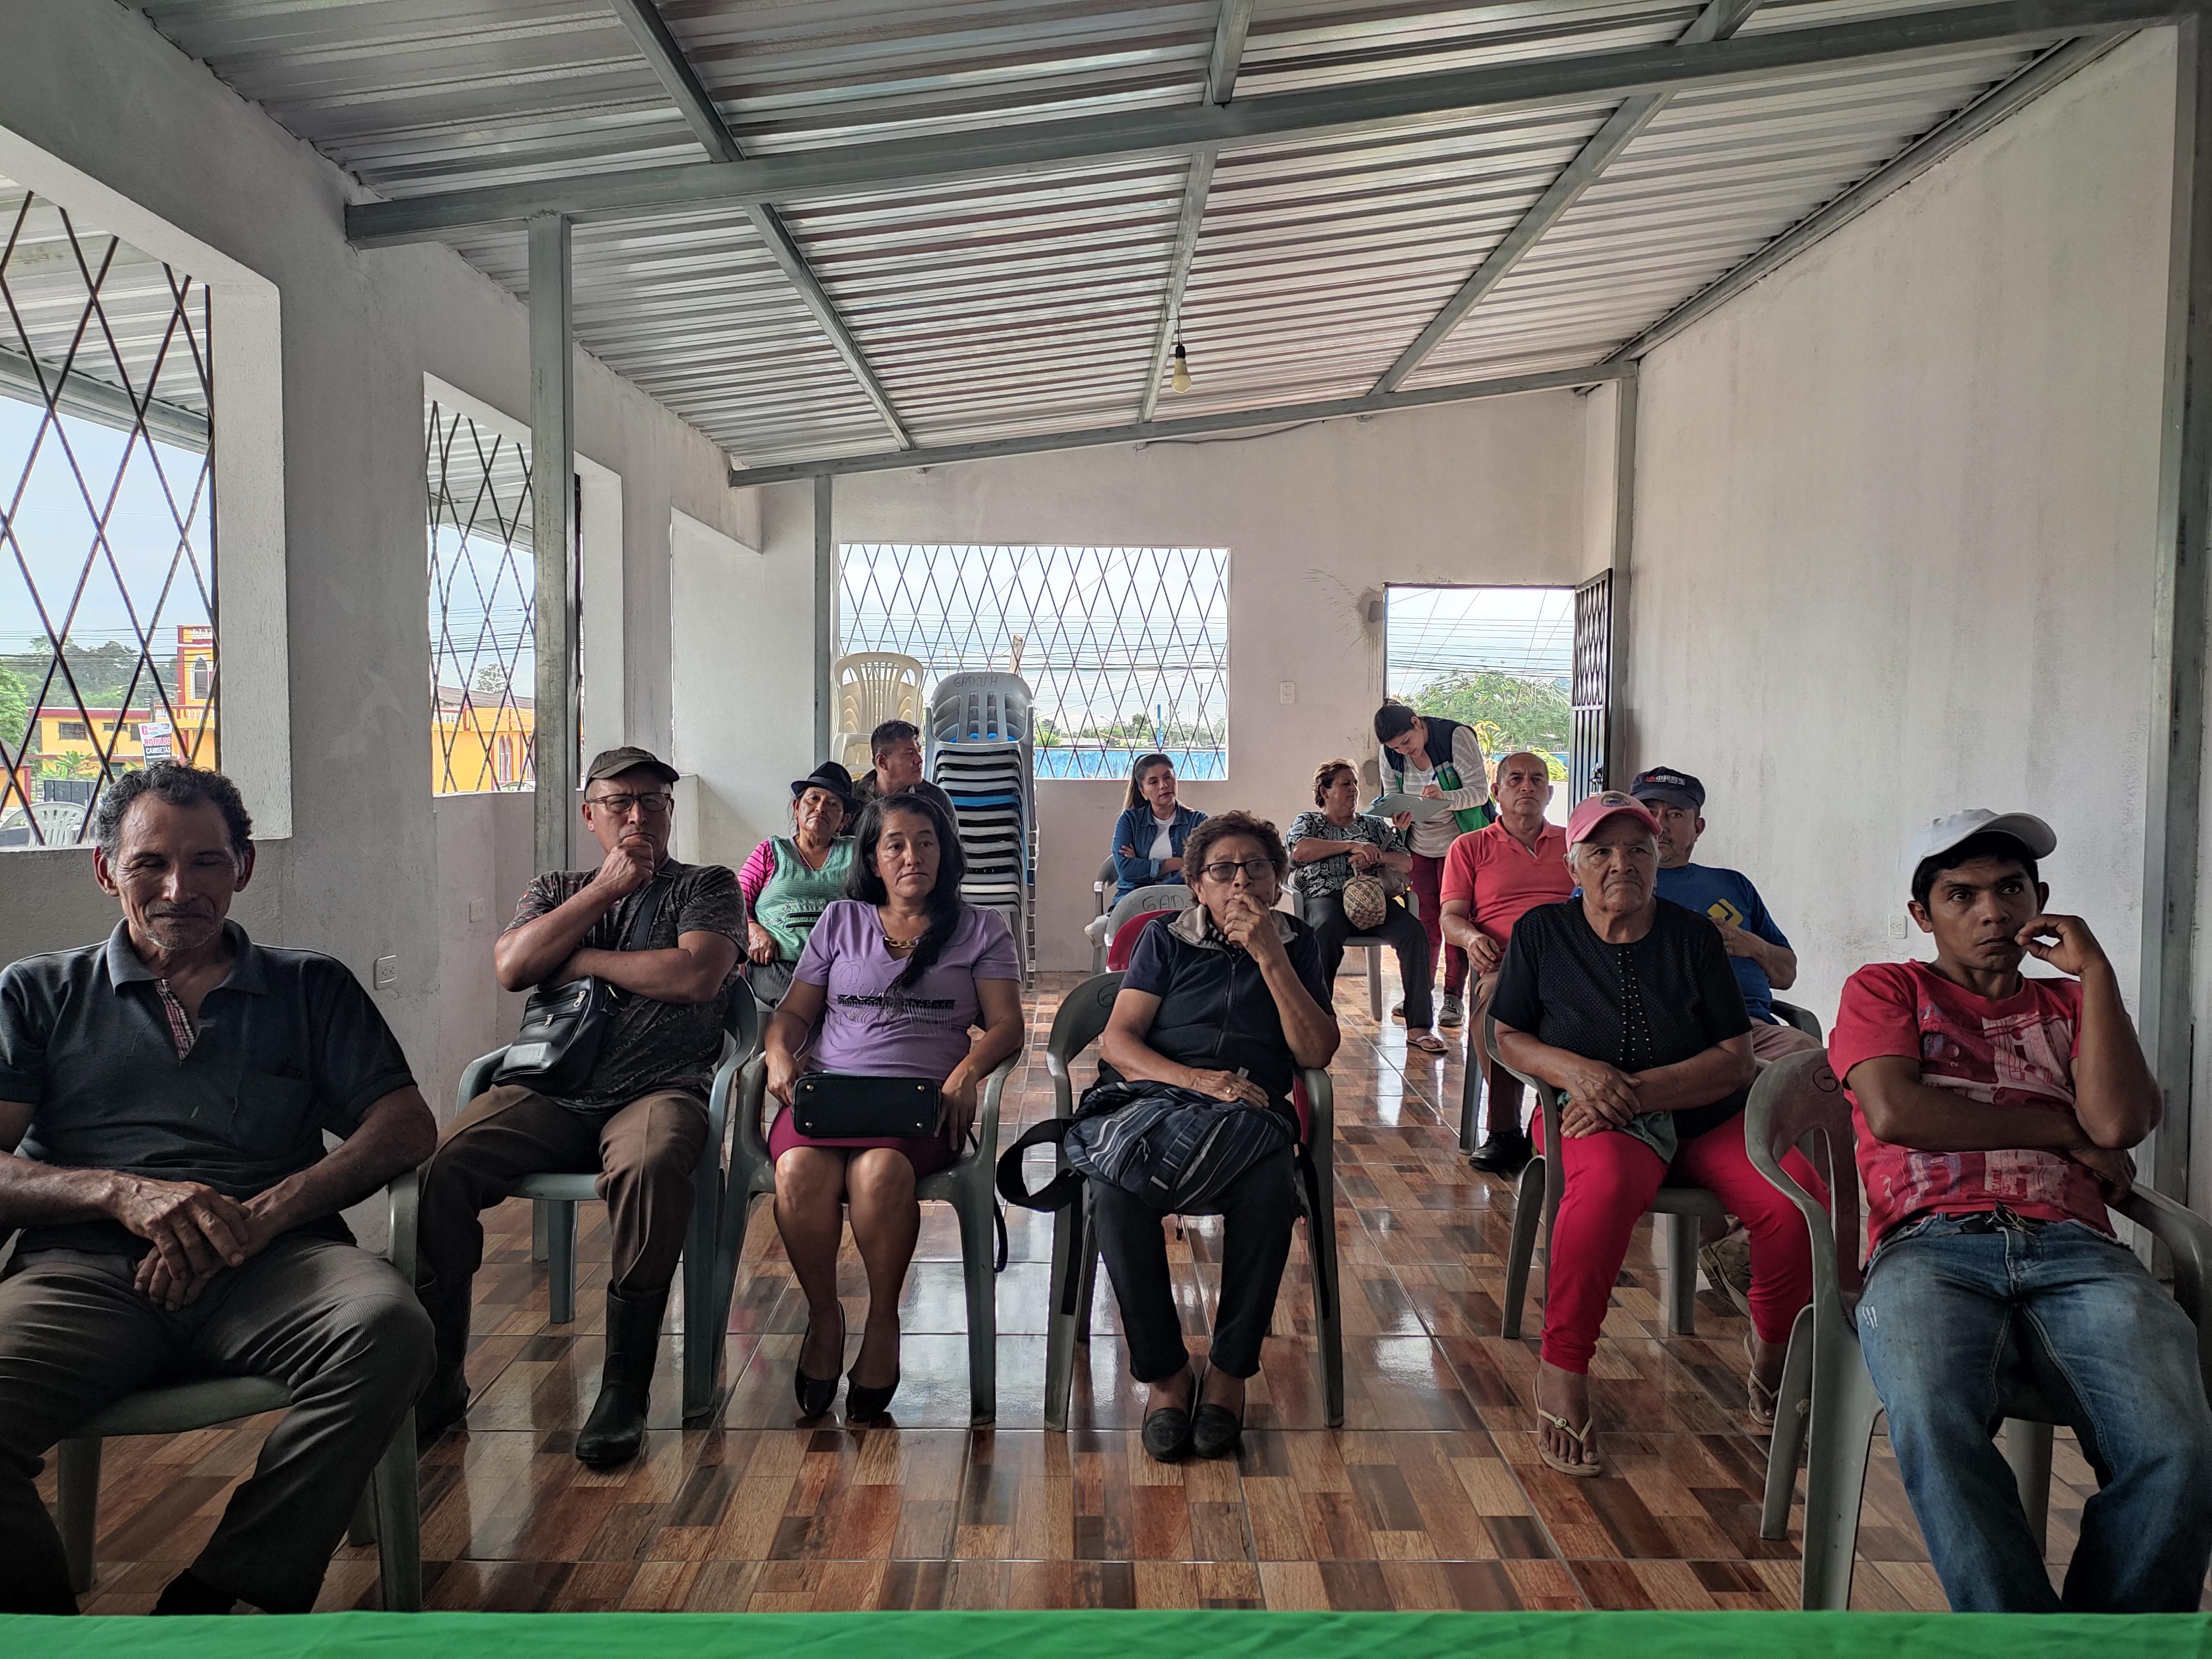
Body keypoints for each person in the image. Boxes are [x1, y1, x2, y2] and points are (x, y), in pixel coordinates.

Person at [0, 763, 437, 1616]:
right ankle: (53, 1638)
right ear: (107, 871)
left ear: (244, 866)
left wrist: (262, 1216)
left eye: (206, 861)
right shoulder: (38, 993)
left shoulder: (309, 987)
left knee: (390, 1331)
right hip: (85, 1274)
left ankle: (222, 1598)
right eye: (150, 864)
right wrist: (121, 1195)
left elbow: (404, 1127)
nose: (179, 889)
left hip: (276, 1265)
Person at [1830, 810, 2212, 1613]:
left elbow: (2120, 1124)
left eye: (2011, 891)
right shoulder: (1888, 988)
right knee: (1935, 1420)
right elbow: (1897, 1112)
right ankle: (2015, 1640)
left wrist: (2097, 972)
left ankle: (2109, 1643)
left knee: (2177, 1445)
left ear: (2040, 900)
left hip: (2078, 1250)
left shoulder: (2072, 1004)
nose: (1992, 913)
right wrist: (2061, 1131)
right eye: (1961, 895)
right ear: (1922, 914)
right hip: (1929, 1245)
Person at [415, 745, 744, 1468]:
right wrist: (603, 893)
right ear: (589, 814)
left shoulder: (707, 885)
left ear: (670, 811)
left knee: (653, 1166)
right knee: (444, 1165)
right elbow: (513, 966)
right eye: (619, 803)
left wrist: (585, 960)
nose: (637, 816)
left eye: (652, 802)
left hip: (659, 1089)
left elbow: (695, 975)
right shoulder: (556, 889)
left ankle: (623, 1387)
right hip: (550, 1091)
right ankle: (436, 1377)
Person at [1490, 791, 1821, 1477]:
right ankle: (1562, 1369)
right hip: (1586, 1118)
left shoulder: (1693, 937)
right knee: (1605, 1187)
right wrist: (1577, 1073)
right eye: (1601, 851)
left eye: (1637, 850)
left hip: (1702, 1113)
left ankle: (1774, 1354)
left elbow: (1733, 1059)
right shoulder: (1542, 933)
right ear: (1573, 865)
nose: (1622, 864)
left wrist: (1628, 1093)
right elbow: (1508, 1034)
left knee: (1794, 1201)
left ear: (1656, 861)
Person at [765, 790, 1024, 1424]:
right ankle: (825, 1318)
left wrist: (966, 1074)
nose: (913, 857)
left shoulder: (982, 928)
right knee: (798, 1171)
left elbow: (1007, 1026)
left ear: (946, 852)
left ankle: (883, 1321)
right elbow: (794, 1013)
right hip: (830, 1096)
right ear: (872, 859)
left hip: (920, 1105)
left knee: (879, 1172)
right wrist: (777, 1054)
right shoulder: (841, 921)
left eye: (926, 843)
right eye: (896, 845)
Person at [1096, 811, 1339, 1462]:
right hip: (1160, 1102)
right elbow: (1118, 1041)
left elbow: (1316, 1051)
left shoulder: (1298, 944)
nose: (1240, 881)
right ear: (1197, 885)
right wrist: (1197, 1080)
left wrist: (1270, 957)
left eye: (1256, 868)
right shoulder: (1165, 940)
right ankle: (1166, 1376)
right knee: (1116, 1196)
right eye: (1222, 870)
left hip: (1252, 1116)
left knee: (1268, 1195)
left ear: (1277, 882)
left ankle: (1230, 1373)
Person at [1439, 750, 1574, 1171]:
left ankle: (1563, 1125)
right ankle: (1505, 1133)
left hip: (1572, 965)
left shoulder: (1575, 845)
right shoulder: (1470, 847)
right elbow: (1450, 918)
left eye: (1537, 780)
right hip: (1505, 966)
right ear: (1496, 792)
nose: (1527, 787)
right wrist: (1472, 937)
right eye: (1516, 779)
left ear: (1550, 794)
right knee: (1496, 1013)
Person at [1630, 766, 1820, 1064]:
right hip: (1661, 1029)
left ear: (1698, 827)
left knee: (1811, 1062)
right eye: (1649, 812)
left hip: (1751, 1031)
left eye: (1675, 814)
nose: (1659, 824)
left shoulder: (1734, 884)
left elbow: (1787, 975)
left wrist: (1753, 946)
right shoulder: (1614, 884)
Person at [1286, 759, 1443, 1053]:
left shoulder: (1372, 825)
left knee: (1413, 932)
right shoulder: (1309, 822)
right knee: (1324, 931)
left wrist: (1376, 856)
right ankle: (1316, 1022)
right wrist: (1351, 846)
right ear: (1325, 791)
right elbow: (1301, 851)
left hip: (1372, 899)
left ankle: (1420, 1026)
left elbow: (1406, 862)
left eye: (1355, 784)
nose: (1354, 790)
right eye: (1346, 784)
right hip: (1326, 896)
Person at [1374, 703, 1491, 1029]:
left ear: (1417, 722)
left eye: (1407, 742)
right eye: (1396, 748)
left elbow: (1480, 793)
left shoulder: (1455, 737)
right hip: (1419, 846)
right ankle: (1420, 994)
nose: (1404, 751)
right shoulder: (1391, 753)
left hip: (1461, 844)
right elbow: (1393, 795)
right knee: (1424, 921)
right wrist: (1398, 814)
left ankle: (1453, 996)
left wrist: (1445, 798)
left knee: (1456, 918)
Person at [740, 761, 857, 1005]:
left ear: (844, 821)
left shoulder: (855, 853)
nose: (821, 808)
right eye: (813, 798)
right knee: (801, 1004)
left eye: (833, 804)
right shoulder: (770, 851)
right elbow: (736, 904)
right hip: (777, 964)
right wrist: (756, 933)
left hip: (838, 964)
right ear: (796, 807)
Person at [1108, 752, 1206, 901]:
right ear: (1143, 791)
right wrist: (1178, 863)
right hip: (1134, 900)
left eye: (1168, 777)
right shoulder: (1130, 820)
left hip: (1181, 901)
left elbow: (1203, 867)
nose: (1164, 785)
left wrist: (1143, 867)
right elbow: (1126, 869)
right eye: (1153, 782)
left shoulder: (1198, 821)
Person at [852, 718, 954, 819]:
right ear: (882, 761)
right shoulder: (852, 795)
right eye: (909, 754)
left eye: (918, 751)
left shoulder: (937, 800)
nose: (919, 760)